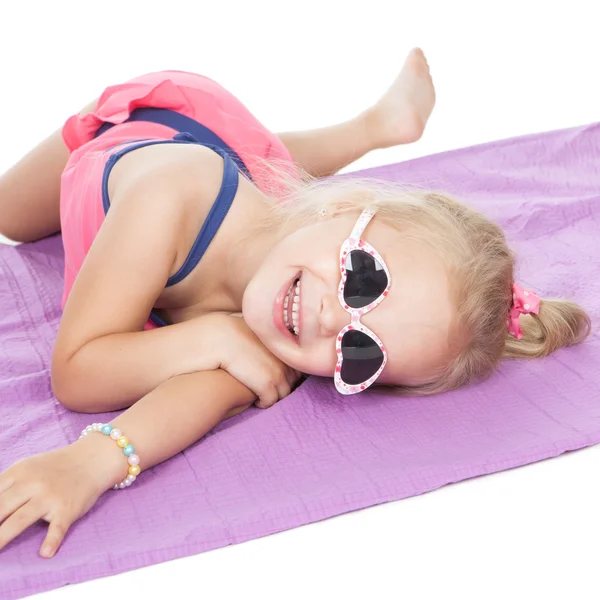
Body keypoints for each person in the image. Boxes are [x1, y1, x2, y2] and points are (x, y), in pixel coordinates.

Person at [0, 49, 590, 558]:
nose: (335, 320)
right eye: (364, 278)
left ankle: (381, 128)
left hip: (275, 218)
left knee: (278, 185)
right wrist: (211, 337)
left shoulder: (294, 331)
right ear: (345, 208)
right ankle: (371, 126)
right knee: (12, 215)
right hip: (141, 138)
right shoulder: (171, 194)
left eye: (363, 354)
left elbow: (187, 402)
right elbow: (76, 372)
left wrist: (89, 464)